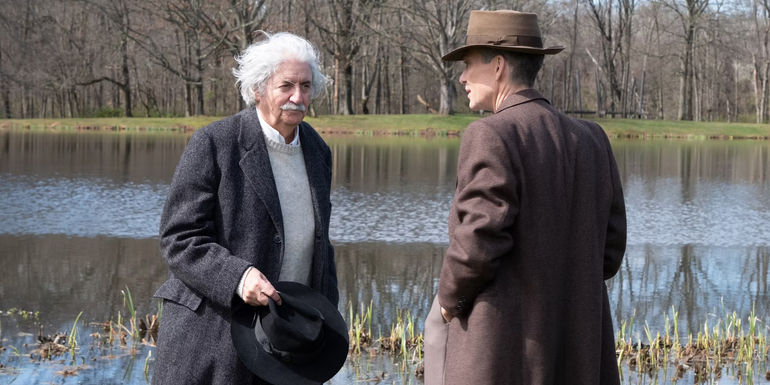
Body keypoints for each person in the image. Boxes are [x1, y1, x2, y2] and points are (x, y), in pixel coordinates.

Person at [423, 10, 627, 385]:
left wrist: (449, 305)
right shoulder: (593, 138)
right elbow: (610, 252)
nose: (463, 77)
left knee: (433, 328)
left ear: (498, 66)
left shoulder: (490, 134)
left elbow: (478, 243)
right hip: (578, 353)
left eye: (468, 65)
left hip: (501, 353)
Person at [151, 32, 338, 384]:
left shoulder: (317, 150)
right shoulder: (215, 143)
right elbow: (179, 238)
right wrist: (237, 278)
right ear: (258, 89)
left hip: (285, 340)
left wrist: (327, 323)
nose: (298, 97)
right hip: (211, 335)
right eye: (287, 86)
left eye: (306, 86)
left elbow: (320, 244)